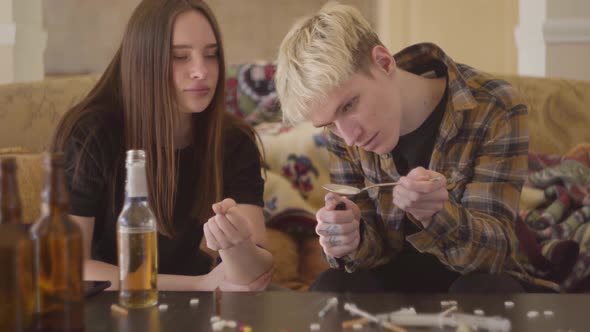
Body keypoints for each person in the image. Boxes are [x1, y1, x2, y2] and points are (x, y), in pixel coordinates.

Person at [275, 3, 553, 293]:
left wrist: (437, 214)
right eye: (329, 124)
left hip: (473, 278)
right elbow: (369, 253)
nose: (348, 137)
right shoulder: (344, 133)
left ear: (383, 63)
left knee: (484, 291)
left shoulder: (495, 106)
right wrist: (350, 238)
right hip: (390, 281)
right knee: (332, 286)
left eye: (349, 105)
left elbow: (492, 257)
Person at [52, 0, 273, 291]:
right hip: (106, 303)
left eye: (212, 55)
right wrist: (197, 285)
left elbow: (256, 273)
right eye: (180, 57)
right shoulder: (92, 133)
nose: (201, 71)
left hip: (195, 302)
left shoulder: (233, 140)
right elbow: (70, 266)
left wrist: (239, 246)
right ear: (143, 62)